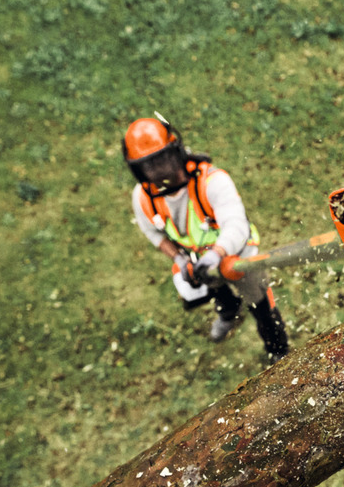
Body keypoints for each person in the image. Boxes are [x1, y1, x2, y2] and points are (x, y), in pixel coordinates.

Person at [123, 115, 290, 360]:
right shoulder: (143, 198)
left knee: (261, 306)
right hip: (200, 262)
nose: (159, 170)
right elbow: (152, 232)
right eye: (149, 164)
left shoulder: (212, 182)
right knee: (217, 293)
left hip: (238, 258)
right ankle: (229, 313)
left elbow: (236, 226)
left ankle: (279, 352)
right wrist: (179, 260)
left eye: (163, 159)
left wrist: (216, 254)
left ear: (176, 151)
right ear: (138, 169)